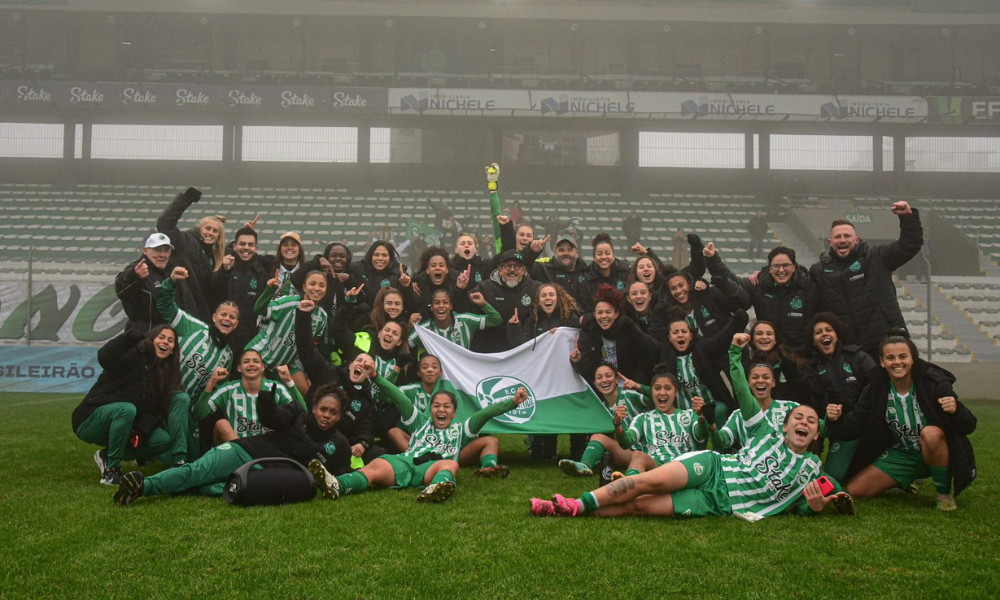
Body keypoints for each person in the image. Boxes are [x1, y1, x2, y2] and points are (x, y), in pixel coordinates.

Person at [530, 333, 854, 519]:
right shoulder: (765, 430)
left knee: (641, 508)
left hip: (721, 503)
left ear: (817, 433)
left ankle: (565, 511)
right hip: (712, 467)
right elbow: (738, 401)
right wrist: (734, 355)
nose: (804, 422)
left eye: (811, 421)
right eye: (798, 417)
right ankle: (579, 501)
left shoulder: (812, 468)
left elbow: (812, 499)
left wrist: (815, 507)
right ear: (784, 427)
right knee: (648, 483)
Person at [113, 383, 352, 505]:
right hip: (244, 451)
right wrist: (266, 404)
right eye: (323, 409)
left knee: (226, 487)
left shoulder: (339, 444)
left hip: (266, 475)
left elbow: (340, 475)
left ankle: (190, 485)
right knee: (197, 472)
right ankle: (142, 486)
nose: (326, 415)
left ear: (339, 416)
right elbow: (275, 418)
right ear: (314, 408)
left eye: (332, 412)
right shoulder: (297, 413)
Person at [309, 373, 528, 503]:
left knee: (450, 464)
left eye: (446, 407)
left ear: (453, 412)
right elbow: (399, 397)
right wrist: (376, 377)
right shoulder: (421, 421)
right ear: (430, 409)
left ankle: (437, 488)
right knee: (373, 468)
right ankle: (337, 485)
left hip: (431, 468)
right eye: (436, 405)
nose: (440, 410)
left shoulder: (462, 429)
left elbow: (485, 413)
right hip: (405, 462)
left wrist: (512, 402)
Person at [826, 331, 977, 511]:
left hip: (934, 449)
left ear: (912, 359)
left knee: (931, 433)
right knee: (855, 490)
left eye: (903, 356)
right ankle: (904, 480)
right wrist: (835, 420)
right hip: (903, 454)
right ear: (882, 362)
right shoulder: (874, 389)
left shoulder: (933, 383)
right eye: (890, 357)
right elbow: (854, 426)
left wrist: (956, 410)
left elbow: (969, 424)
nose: (897, 362)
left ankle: (944, 494)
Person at [73, 326, 189, 485]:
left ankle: (106, 456)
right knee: (126, 409)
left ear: (173, 350)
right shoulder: (136, 355)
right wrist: (128, 337)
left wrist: (141, 432)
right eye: (161, 337)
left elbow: (152, 410)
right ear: (151, 340)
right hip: (89, 419)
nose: (165, 342)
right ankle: (111, 471)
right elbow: (105, 357)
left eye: (171, 340)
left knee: (162, 440)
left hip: (122, 424)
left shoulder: (164, 375)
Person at [809, 200, 923, 356]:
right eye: (838, 237)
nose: (842, 240)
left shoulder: (877, 256)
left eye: (847, 236)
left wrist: (908, 218)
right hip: (848, 350)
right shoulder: (818, 271)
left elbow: (910, 245)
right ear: (830, 242)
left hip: (886, 343)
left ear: (856, 240)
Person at [157, 267, 239, 461]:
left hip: (186, 409)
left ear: (236, 324)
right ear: (214, 317)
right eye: (223, 315)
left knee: (194, 458)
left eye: (232, 317)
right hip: (161, 392)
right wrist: (172, 282)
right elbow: (165, 306)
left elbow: (210, 394)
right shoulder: (193, 326)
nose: (227, 319)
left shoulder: (227, 356)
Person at [295, 304, 378, 459]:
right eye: (359, 360)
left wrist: (362, 442)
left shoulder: (366, 401)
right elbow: (306, 349)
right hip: (307, 433)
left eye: (367, 365)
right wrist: (304, 316)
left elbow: (365, 427)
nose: (362, 364)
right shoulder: (329, 372)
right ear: (351, 364)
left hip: (335, 447)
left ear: (370, 374)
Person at [801, 312, 876, 482]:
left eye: (829, 330)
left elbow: (877, 389)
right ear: (813, 341)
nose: (824, 334)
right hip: (842, 431)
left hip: (869, 425)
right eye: (818, 332)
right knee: (834, 476)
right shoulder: (810, 367)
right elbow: (813, 405)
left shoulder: (857, 356)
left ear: (837, 334)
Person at [708, 244, 818, 350]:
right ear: (769, 268)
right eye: (776, 266)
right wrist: (713, 259)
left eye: (786, 265)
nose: (781, 270)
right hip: (767, 353)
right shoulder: (759, 283)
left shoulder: (809, 288)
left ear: (794, 267)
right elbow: (733, 280)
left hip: (798, 356)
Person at [658, 310, 749, 430]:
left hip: (712, 405)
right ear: (669, 338)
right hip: (684, 412)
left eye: (684, 331)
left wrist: (738, 319)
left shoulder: (702, 348)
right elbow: (645, 343)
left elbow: (720, 341)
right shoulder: (664, 355)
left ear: (690, 336)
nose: (680, 335)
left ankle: (725, 446)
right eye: (675, 332)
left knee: (720, 411)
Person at [192, 350, 305, 445]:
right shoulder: (228, 390)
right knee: (221, 424)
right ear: (239, 368)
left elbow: (302, 413)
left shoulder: (276, 388)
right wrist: (212, 381)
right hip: (237, 450)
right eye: (246, 361)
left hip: (268, 448)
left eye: (256, 361)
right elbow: (199, 414)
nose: (251, 364)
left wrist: (289, 381)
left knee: (279, 426)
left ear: (262, 367)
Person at [558, 363, 652, 477]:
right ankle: (584, 466)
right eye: (599, 377)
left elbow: (657, 397)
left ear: (617, 379)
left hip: (648, 452)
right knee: (597, 437)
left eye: (608, 376)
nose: (604, 380)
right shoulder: (602, 408)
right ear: (595, 383)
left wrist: (638, 387)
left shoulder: (630, 395)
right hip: (628, 453)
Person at [614, 366, 710, 477]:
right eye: (657, 388)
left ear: (675, 393)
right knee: (638, 455)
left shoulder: (689, 415)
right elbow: (626, 442)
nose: (662, 393)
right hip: (657, 469)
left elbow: (701, 435)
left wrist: (701, 416)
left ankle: (628, 486)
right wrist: (618, 424)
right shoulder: (643, 419)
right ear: (652, 391)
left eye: (668, 388)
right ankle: (629, 484)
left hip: (683, 469)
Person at [245, 269, 328, 395]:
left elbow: (310, 348)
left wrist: (308, 374)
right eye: (312, 284)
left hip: (287, 363)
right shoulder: (289, 302)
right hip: (261, 356)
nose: (317, 288)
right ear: (304, 287)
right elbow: (259, 309)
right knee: (261, 395)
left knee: (305, 392)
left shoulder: (322, 316)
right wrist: (269, 290)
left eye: (322, 285)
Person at [156, 187, 226, 322]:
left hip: (199, 312)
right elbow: (165, 224)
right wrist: (185, 200)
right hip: (181, 307)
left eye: (215, 231)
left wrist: (246, 231)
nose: (210, 233)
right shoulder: (184, 241)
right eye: (208, 228)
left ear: (219, 236)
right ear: (200, 228)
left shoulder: (215, 256)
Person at [573, 284, 661, 386]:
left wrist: (635, 386)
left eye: (608, 312)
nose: (604, 316)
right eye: (600, 312)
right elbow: (587, 370)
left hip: (629, 388)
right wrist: (578, 361)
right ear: (594, 314)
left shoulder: (628, 328)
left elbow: (651, 354)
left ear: (616, 314)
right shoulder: (588, 332)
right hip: (602, 391)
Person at [211, 226, 269, 352]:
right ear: (234, 246)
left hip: (249, 336)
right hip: (223, 333)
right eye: (242, 244)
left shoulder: (261, 272)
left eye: (251, 245)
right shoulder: (224, 264)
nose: (246, 248)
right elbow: (212, 289)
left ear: (256, 248)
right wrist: (224, 271)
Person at [471, 249, 541, 353]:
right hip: (491, 352)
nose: (512, 270)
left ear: (523, 270)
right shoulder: (485, 288)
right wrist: (460, 289)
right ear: (499, 269)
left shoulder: (535, 289)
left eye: (517, 266)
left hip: (524, 350)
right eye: (507, 266)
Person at [650, 269, 748, 340]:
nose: (679, 291)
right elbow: (656, 333)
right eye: (673, 288)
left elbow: (743, 303)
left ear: (689, 284)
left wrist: (725, 285)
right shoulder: (667, 312)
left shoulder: (709, 295)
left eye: (681, 285)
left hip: (725, 356)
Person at [115, 232, 177, 334]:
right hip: (143, 335)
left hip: (169, 334)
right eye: (157, 250)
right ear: (145, 250)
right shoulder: (137, 269)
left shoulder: (172, 271)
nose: (162, 255)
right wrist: (135, 275)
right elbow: (122, 290)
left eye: (166, 250)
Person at [409, 289, 502, 352]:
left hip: (463, 375)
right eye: (437, 303)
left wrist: (483, 304)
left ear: (451, 306)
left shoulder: (466, 320)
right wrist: (409, 326)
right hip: (438, 378)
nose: (441, 306)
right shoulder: (424, 329)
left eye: (445, 302)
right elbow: (406, 345)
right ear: (432, 308)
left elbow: (496, 320)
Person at [507, 282, 581, 347]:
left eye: (551, 295)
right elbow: (522, 347)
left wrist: (561, 333)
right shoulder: (532, 320)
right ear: (538, 301)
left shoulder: (570, 317)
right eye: (543, 295)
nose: (547, 298)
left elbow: (576, 340)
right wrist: (514, 327)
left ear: (558, 299)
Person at [580, 233, 631, 312]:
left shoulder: (625, 272)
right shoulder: (587, 280)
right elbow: (585, 309)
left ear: (613, 255)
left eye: (607, 253)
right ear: (594, 258)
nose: (604, 257)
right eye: (599, 254)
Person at [261, 231, 306, 298]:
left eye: (294, 245)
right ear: (280, 248)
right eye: (285, 245)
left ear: (299, 249)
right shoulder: (269, 265)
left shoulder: (305, 271)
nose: (289, 248)